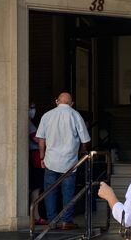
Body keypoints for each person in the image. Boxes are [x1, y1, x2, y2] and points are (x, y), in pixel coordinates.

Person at [36, 92, 91, 231]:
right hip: (69, 162)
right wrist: (83, 150)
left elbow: (41, 139)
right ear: (71, 103)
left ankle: (52, 221)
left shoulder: (47, 115)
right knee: (68, 193)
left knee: (50, 192)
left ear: (57, 101)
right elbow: (85, 140)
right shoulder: (75, 115)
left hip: (50, 161)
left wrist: (42, 157)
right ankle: (66, 221)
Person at [28, 102, 47, 225]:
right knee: (36, 187)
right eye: (31, 107)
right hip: (35, 157)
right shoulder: (28, 124)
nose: (33, 110)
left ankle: (35, 215)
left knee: (37, 187)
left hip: (34, 156)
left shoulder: (30, 123)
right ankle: (35, 216)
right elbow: (37, 139)